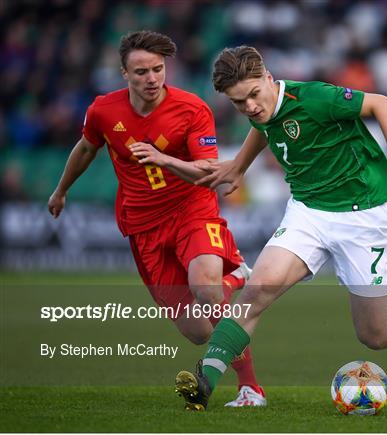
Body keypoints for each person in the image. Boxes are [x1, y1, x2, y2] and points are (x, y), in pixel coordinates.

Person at [175, 46, 387, 411]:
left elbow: (384, 104)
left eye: (254, 95)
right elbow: (263, 127)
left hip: (363, 218)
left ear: (269, 78)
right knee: (255, 293)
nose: (250, 107)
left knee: (374, 333)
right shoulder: (261, 109)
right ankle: (205, 381)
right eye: (239, 103)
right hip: (308, 214)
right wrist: (239, 165)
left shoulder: (315, 97)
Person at [47, 33, 266, 408]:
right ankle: (236, 276)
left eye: (159, 69)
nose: (152, 78)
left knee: (207, 289)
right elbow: (86, 148)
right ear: (124, 73)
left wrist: (165, 160)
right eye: (142, 71)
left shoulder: (192, 109)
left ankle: (250, 388)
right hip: (144, 227)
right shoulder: (103, 111)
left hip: (192, 210)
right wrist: (61, 190)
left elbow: (207, 172)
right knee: (197, 331)